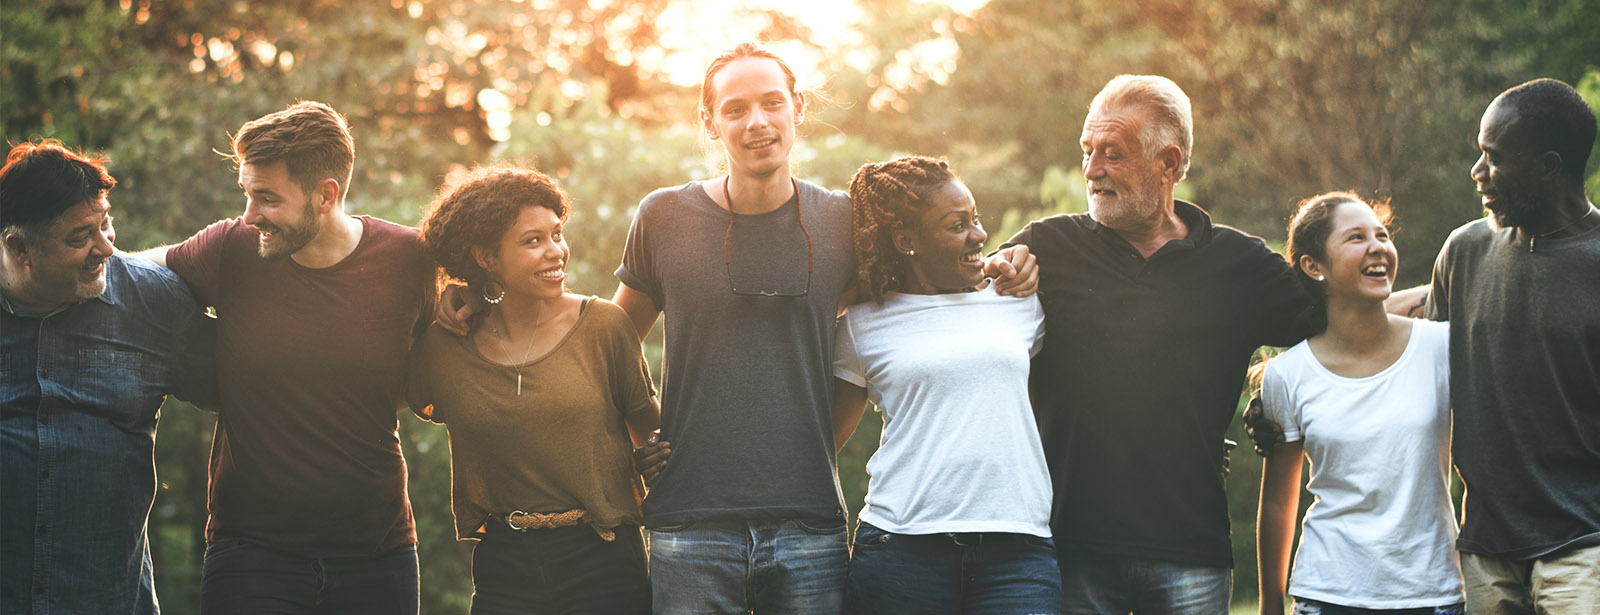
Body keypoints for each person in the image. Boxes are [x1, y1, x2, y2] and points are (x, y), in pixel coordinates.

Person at [435, 41, 1037, 613]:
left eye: (773, 102)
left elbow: (917, 286)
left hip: (810, 526)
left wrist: (1003, 261)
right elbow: (608, 341)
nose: (758, 122)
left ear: (797, 109)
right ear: (710, 122)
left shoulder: (839, 222)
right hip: (689, 526)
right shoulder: (664, 216)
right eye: (736, 109)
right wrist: (478, 291)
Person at [1002, 75, 1314, 613]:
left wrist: (1440, 295)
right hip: (1069, 545)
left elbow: (1341, 318)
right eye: (1088, 151)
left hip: (1190, 550)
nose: (1092, 170)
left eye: (1113, 154)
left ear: (1168, 164)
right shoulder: (1045, 246)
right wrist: (993, 267)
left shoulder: (1239, 264)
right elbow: (960, 306)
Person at [139, 101, 436, 614]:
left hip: (377, 554)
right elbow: (124, 274)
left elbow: (436, 364)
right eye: (247, 195)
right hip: (252, 556)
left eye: (267, 198)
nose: (250, 214)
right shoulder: (231, 248)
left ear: (326, 195)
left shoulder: (410, 260)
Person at [407, 165, 660, 613]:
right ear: (485, 257)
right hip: (504, 563)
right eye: (533, 241)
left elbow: (652, 434)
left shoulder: (603, 326)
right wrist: (445, 294)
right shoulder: (443, 346)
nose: (556, 252)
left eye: (557, 234)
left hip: (602, 557)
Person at [830, 156, 1059, 614]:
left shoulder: (1017, 300)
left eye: (975, 219)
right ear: (906, 240)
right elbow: (822, 442)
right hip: (900, 552)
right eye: (957, 226)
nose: (978, 235)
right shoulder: (862, 323)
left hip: (1017, 553)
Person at [1, 141, 216, 615]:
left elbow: (263, 385)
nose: (106, 247)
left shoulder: (153, 302)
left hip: (109, 600)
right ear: (19, 247)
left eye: (106, 223)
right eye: (80, 237)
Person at [1420, 78, 1600, 613]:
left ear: (1549, 166)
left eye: (1493, 158)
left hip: (1585, 548)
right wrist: (1285, 387)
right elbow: (1410, 366)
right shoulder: (1464, 250)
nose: (1477, 173)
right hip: (1486, 551)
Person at [1254, 192, 1463, 615]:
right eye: (1356, 238)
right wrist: (1271, 606)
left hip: (1434, 592)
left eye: (1382, 235)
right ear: (1314, 267)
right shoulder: (1287, 375)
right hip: (1329, 593)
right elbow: (1278, 501)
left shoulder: (1441, 347)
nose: (1378, 247)